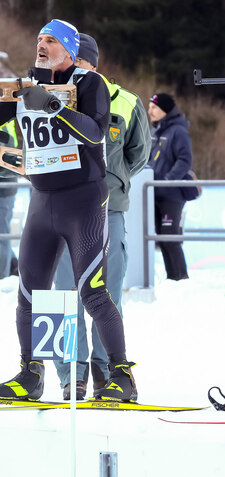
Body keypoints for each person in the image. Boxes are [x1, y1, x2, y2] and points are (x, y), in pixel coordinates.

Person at [0, 19, 137, 402]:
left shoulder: (89, 83)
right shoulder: (27, 84)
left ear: (70, 50)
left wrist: (52, 105)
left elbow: (95, 131)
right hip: (42, 202)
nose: (41, 44)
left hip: (83, 202)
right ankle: (31, 373)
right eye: (39, 38)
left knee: (93, 293)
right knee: (29, 295)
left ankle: (122, 375)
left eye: (51, 40)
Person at [52, 33, 151, 400]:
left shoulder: (125, 101)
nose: (74, 69)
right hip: (62, 210)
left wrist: (111, 180)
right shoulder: (49, 97)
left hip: (108, 211)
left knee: (106, 293)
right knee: (65, 294)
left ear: (93, 64)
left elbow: (138, 155)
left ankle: (107, 372)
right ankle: (71, 374)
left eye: (80, 62)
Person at [147, 92, 192, 281]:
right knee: (162, 237)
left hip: (171, 195)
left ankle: (181, 278)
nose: (150, 111)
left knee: (170, 236)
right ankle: (172, 278)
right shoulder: (155, 132)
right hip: (154, 192)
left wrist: (167, 180)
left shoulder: (178, 131)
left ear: (165, 110)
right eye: (149, 107)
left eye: (154, 107)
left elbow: (185, 160)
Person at [0, 120, 19, 279]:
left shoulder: (5, 125)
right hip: (6, 186)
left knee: (1, 235)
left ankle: (3, 278)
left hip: (4, 189)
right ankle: (13, 265)